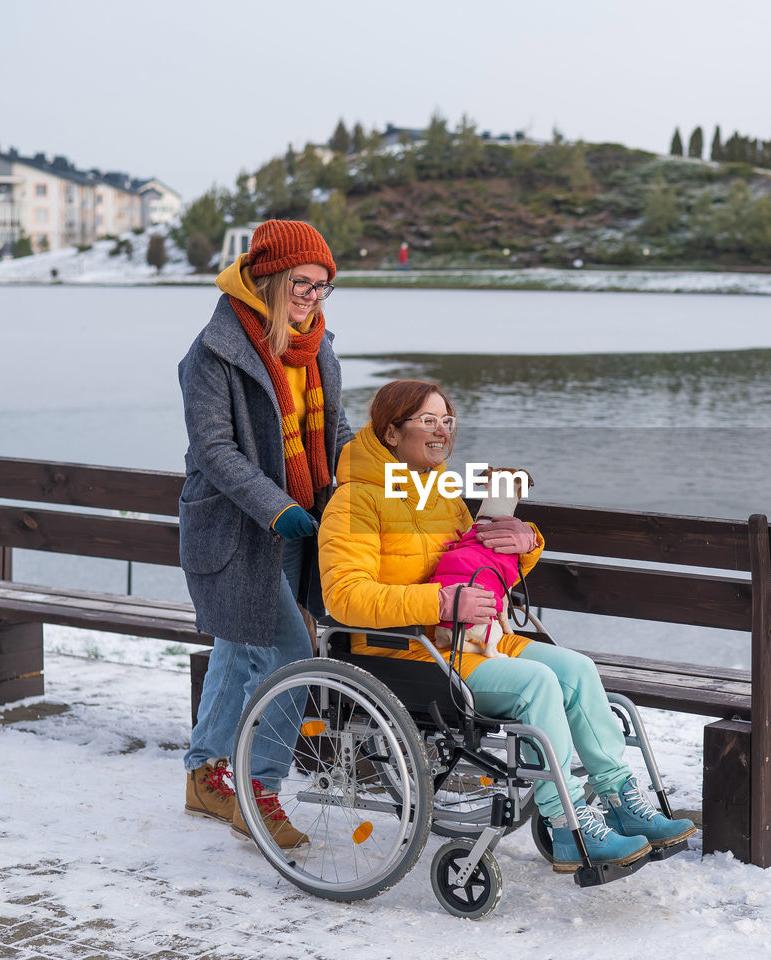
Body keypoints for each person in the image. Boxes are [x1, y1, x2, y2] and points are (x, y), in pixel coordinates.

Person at [318, 379, 696, 872]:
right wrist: (442, 600)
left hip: (472, 642)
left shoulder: (440, 491)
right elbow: (344, 598)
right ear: (391, 432)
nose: (441, 432)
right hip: (407, 654)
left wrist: (525, 540)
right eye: (427, 421)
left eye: (447, 421)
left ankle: (620, 801)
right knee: (537, 683)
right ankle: (569, 823)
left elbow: (479, 564)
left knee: (576, 669)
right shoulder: (354, 502)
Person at [179, 219, 352, 849]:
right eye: (301, 284)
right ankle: (260, 790)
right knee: (291, 659)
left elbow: (334, 436)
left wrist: (375, 474)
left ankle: (205, 774)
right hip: (236, 529)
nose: (311, 298)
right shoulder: (214, 350)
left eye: (322, 287)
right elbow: (215, 449)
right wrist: (275, 507)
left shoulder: (316, 348)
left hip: (297, 527)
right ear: (269, 277)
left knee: (238, 648)